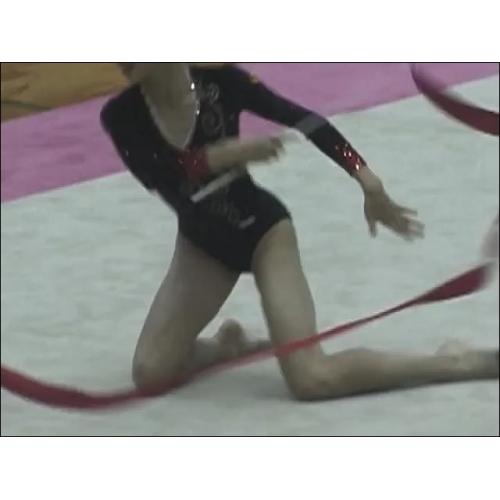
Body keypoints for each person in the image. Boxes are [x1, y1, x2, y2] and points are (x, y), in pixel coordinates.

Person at [100, 63, 498, 401]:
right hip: (202, 245)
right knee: (150, 373)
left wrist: (366, 178)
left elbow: (308, 121)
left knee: (312, 378)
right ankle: (227, 346)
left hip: (263, 235)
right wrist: (225, 154)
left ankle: (451, 360)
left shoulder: (220, 83)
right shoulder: (121, 116)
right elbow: (164, 173)